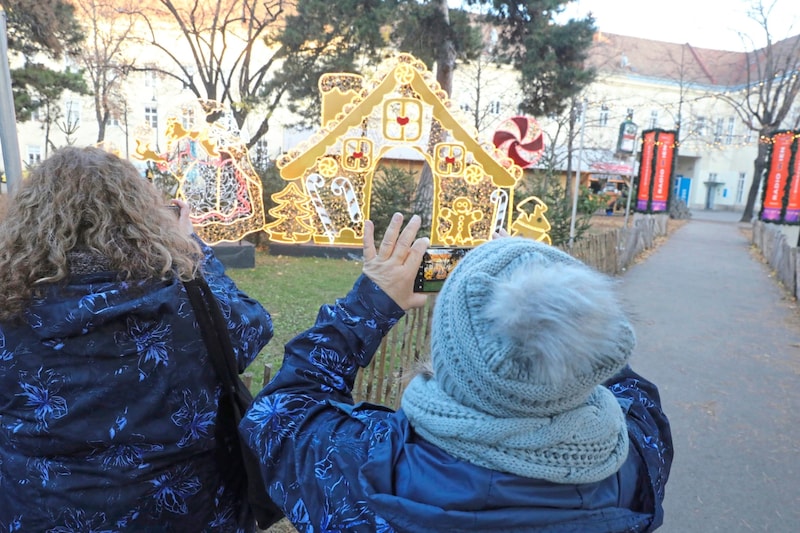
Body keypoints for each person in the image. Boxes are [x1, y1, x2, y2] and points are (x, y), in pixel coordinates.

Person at [241, 213, 673, 532]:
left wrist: (370, 303)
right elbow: (618, 376)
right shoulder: (634, 455)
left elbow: (283, 411)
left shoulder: (368, 468)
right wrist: (563, 309)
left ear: (450, 349)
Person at [0, 146, 273, 531]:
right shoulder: (187, 303)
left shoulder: (8, 309)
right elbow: (253, 328)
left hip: (42, 514)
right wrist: (194, 251)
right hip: (184, 514)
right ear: (141, 217)